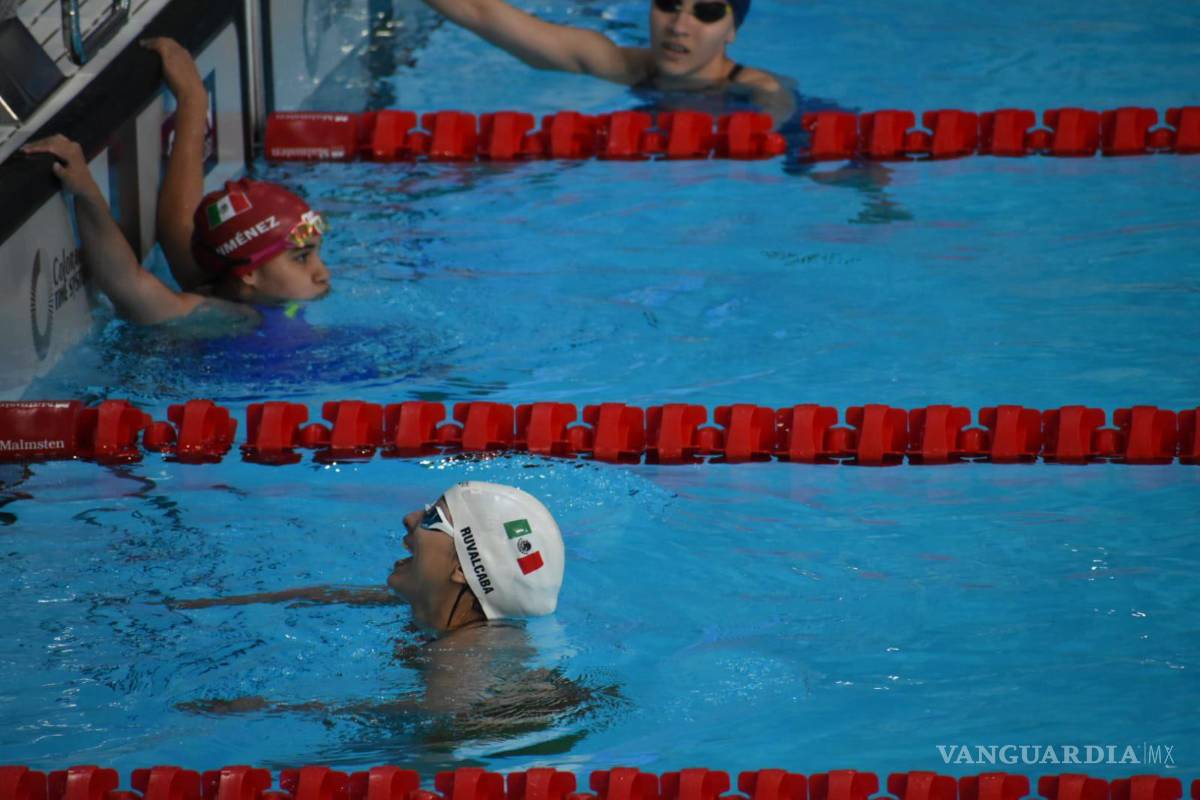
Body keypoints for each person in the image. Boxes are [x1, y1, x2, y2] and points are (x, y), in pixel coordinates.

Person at [170, 481, 617, 738]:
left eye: (431, 519)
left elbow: (441, 716)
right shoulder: (445, 610)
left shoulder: (468, 650)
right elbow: (332, 593)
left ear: (465, 569)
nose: (408, 518)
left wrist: (270, 708)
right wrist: (217, 603)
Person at [19, 39, 330, 326]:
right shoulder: (230, 322)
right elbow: (129, 287)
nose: (322, 273)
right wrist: (85, 190)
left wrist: (193, 100)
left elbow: (178, 227)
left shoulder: (229, 283)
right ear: (249, 273)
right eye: (301, 257)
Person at [418, 0, 796, 126]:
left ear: (732, 31)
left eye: (707, 12)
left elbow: (783, 124)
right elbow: (481, 12)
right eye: (668, 4)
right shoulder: (620, 64)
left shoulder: (758, 91)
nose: (680, 27)